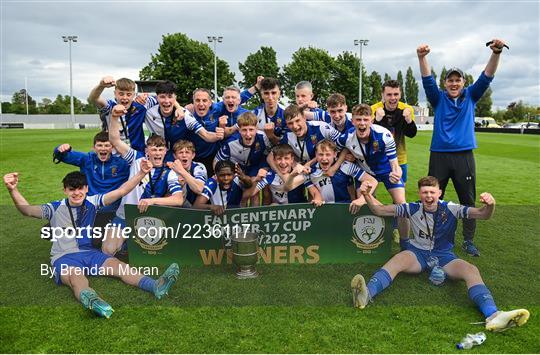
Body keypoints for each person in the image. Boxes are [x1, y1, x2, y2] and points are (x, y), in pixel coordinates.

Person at [350, 176, 530, 333]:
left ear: (439, 193)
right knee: (397, 260)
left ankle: (493, 315)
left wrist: (491, 205)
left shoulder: (451, 208)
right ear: (420, 194)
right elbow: (379, 210)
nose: (428, 196)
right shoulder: (412, 207)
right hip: (417, 254)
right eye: (425, 192)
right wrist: (366, 195)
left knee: (471, 269)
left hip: (444, 256)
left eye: (432, 192)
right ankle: (366, 295)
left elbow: (483, 215)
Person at [3, 167, 180, 319]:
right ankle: (93, 300)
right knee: (76, 277)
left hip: (90, 254)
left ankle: (156, 286)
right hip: (64, 257)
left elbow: (120, 191)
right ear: (65, 190)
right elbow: (28, 211)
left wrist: (141, 173)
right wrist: (13, 190)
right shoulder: (55, 207)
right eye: (72, 189)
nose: (77, 193)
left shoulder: (93, 202)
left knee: (120, 267)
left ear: (86, 189)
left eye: (80, 188)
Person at [417, 39, 507, 257]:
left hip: (464, 157)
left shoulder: (471, 97)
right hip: (439, 155)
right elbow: (427, 80)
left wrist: (496, 53)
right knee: (432, 198)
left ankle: (468, 240)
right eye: (450, 80)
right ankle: (431, 236)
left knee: (467, 200)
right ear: (445, 84)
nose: (454, 83)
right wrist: (422, 57)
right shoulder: (438, 99)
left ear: (463, 83)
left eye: (458, 80)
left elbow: (487, 77)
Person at [104, 104, 184, 255]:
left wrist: (152, 201)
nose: (157, 152)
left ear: (165, 151)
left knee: (154, 252)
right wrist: (114, 116)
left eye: (160, 149)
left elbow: (178, 199)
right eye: (154, 149)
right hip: (125, 216)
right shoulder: (136, 159)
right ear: (147, 151)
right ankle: (126, 244)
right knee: (108, 250)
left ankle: (129, 245)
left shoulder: (169, 171)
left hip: (150, 219)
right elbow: (114, 140)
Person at [337, 104, 410, 250]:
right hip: (366, 173)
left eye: (365, 119)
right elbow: (339, 150)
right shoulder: (346, 137)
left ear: (371, 120)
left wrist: (397, 173)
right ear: (353, 121)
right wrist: (347, 156)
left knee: (402, 205)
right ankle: (387, 221)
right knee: (362, 201)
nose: (362, 123)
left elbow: (395, 163)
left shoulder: (384, 135)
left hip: (385, 170)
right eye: (358, 119)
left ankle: (405, 243)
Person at [53, 131, 130, 229]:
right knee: (52, 230)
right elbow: (62, 156)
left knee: (99, 240)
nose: (103, 148)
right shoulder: (87, 159)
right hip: (89, 208)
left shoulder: (122, 164)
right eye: (99, 145)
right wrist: (60, 148)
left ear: (113, 148)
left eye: (107, 145)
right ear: (94, 147)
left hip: (112, 211)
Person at [284, 139, 377, 212]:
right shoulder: (311, 171)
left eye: (328, 154)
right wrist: (292, 175)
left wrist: (361, 200)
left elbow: (373, 181)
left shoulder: (345, 166)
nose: (324, 158)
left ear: (335, 154)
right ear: (316, 155)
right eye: (320, 154)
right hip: (324, 210)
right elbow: (287, 188)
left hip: (346, 208)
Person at [144, 81, 224, 160]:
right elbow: (137, 103)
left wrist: (217, 135)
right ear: (157, 97)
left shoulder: (185, 115)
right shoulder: (149, 109)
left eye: (170, 97)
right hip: (157, 155)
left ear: (175, 98)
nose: (166, 101)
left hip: (178, 158)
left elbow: (206, 135)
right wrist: (140, 98)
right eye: (162, 97)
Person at [214, 112, 272, 206]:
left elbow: (269, 155)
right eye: (244, 130)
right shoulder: (231, 142)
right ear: (239, 130)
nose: (248, 134)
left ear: (256, 129)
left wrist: (264, 168)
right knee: (240, 195)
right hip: (237, 168)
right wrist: (217, 175)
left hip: (254, 166)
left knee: (255, 193)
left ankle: (255, 217)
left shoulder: (263, 137)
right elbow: (217, 161)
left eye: (251, 130)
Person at [88, 76, 157, 152]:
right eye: (121, 94)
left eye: (128, 94)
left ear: (134, 94)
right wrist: (101, 86)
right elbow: (93, 99)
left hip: (137, 154)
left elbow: (164, 98)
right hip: (114, 155)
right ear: (115, 94)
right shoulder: (110, 106)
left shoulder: (142, 104)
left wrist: (145, 96)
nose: (125, 97)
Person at [371, 80, 417, 183]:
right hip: (377, 157)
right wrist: (377, 121)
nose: (393, 98)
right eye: (389, 95)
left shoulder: (407, 109)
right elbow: (369, 137)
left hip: (399, 158)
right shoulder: (373, 109)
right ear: (383, 95)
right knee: (369, 191)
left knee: (399, 193)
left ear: (400, 94)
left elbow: (411, 134)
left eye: (396, 94)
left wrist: (409, 121)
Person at [243, 144, 316, 205]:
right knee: (273, 205)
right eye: (279, 159)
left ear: (292, 160)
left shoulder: (299, 172)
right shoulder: (270, 175)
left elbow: (314, 190)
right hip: (280, 212)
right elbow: (249, 194)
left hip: (298, 210)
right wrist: (256, 180)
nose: (283, 162)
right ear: (274, 160)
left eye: (286, 158)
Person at [166, 140, 207, 207]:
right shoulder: (170, 169)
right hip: (177, 208)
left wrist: (181, 171)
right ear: (175, 156)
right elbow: (167, 197)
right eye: (180, 152)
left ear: (193, 155)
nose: (184, 155)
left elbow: (200, 189)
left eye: (187, 152)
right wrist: (181, 186)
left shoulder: (199, 167)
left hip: (197, 208)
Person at [253, 77, 287, 144]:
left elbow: (287, 143)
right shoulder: (254, 114)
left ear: (279, 94)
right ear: (261, 94)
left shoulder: (287, 113)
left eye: (273, 93)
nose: (270, 98)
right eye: (266, 93)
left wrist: (270, 135)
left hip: (281, 152)